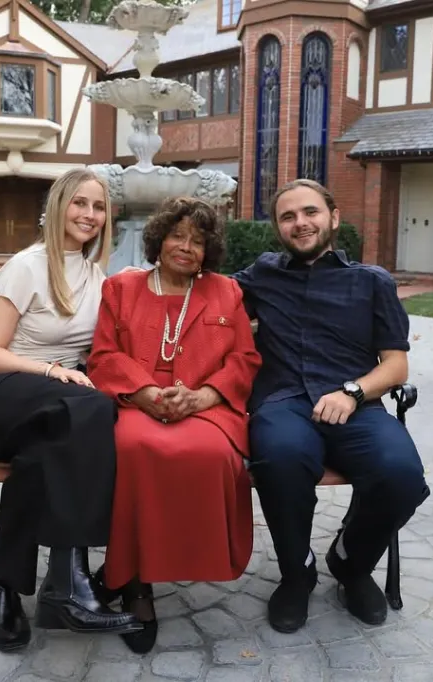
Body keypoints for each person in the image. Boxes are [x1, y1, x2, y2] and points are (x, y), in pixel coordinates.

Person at [234, 179, 430, 633]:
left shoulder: (372, 282)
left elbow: (396, 366)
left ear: (333, 218)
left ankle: (350, 562)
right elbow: (203, 292)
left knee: (400, 474)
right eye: (288, 217)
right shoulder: (261, 275)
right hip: (283, 402)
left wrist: (354, 392)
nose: (300, 223)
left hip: (355, 406)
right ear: (277, 228)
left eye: (310, 212)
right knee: (280, 458)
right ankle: (296, 573)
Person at [0, 168, 141, 653]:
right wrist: (50, 372)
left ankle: (7, 585)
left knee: (53, 445)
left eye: (98, 207)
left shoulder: (97, 276)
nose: (89, 214)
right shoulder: (27, 265)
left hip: (56, 413)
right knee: (89, 409)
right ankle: (68, 582)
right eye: (80, 203)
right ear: (60, 206)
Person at [87, 196, 261, 654]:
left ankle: (173, 560)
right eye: (178, 236)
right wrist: (145, 395)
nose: (186, 247)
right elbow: (104, 356)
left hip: (206, 406)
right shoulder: (121, 288)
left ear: (209, 251)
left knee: (212, 454)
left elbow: (245, 358)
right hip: (136, 402)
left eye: (198, 241)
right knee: (133, 449)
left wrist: (202, 396)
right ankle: (135, 583)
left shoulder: (226, 292)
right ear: (159, 239)